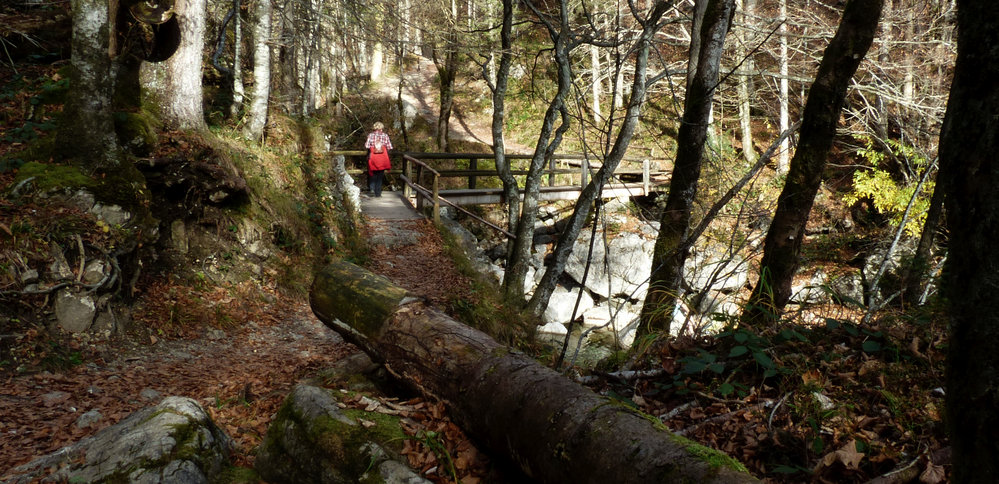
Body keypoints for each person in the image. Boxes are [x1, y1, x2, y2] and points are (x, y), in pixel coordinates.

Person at [365, 122, 393, 197]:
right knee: (380, 176)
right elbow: (390, 147)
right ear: (381, 128)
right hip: (382, 158)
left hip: (373, 158)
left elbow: (367, 146)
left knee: (373, 174)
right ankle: (378, 193)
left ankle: (372, 189)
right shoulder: (385, 135)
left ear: (374, 127)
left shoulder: (370, 135)